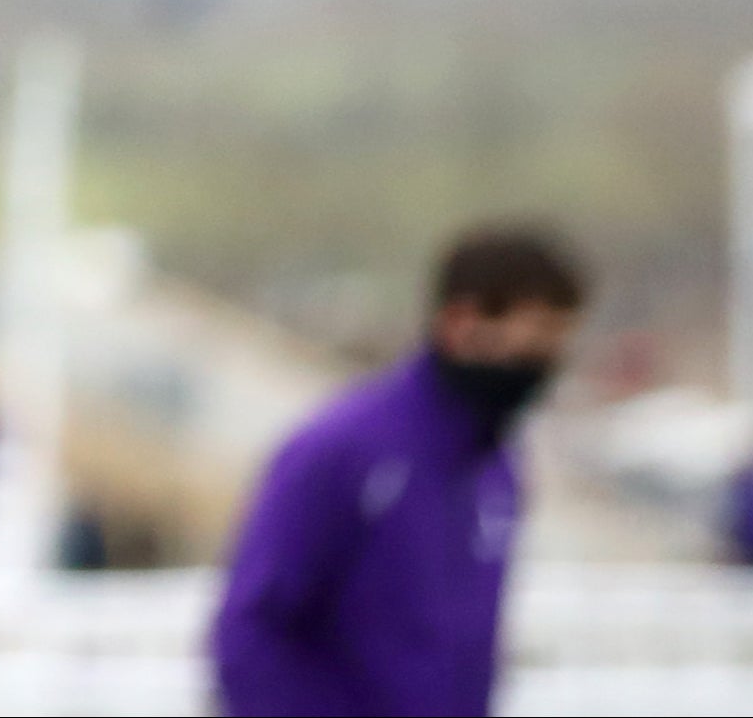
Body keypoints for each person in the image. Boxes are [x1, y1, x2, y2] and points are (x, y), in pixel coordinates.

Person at [211, 222, 588, 718]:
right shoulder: (342, 450)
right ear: (462, 323)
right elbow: (251, 635)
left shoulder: (496, 467)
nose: (548, 361)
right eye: (536, 336)